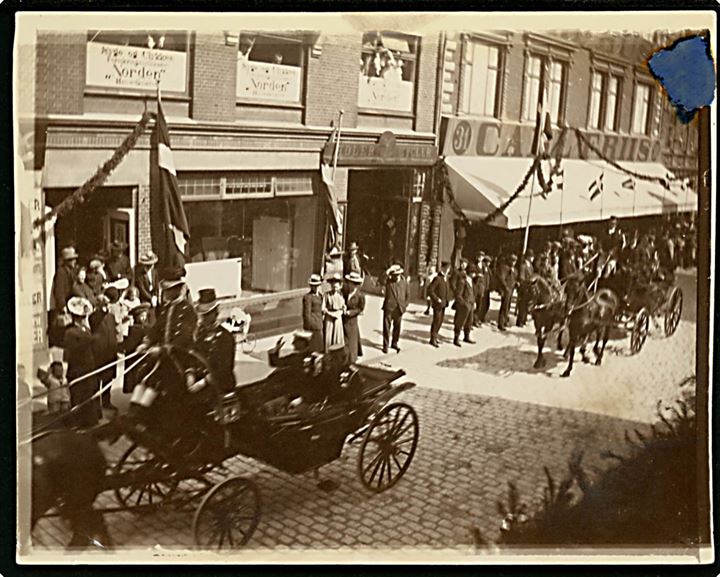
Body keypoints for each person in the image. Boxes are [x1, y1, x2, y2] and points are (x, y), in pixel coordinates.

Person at [188, 288, 237, 395]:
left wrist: (203, 382)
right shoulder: (199, 335)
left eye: (207, 314)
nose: (203, 319)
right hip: (201, 383)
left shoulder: (225, 337)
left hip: (220, 386)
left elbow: (224, 369)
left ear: (216, 314)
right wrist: (190, 374)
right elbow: (193, 357)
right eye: (202, 315)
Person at [64, 297, 101, 428]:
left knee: (89, 394)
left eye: (83, 317)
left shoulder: (85, 329)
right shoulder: (70, 331)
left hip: (89, 367)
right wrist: (90, 340)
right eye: (80, 317)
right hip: (78, 369)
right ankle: (79, 423)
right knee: (79, 396)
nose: (82, 319)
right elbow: (73, 349)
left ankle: (89, 422)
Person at [90, 290, 119, 413]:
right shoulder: (94, 317)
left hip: (110, 352)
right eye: (104, 305)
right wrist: (102, 309)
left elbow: (114, 332)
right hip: (99, 353)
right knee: (97, 380)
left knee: (108, 379)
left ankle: (106, 401)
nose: (107, 307)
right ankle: (96, 405)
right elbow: (96, 320)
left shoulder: (111, 317)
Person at [49, 246, 78, 347]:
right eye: (72, 259)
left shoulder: (70, 272)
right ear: (67, 261)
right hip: (64, 306)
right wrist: (62, 306)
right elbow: (59, 291)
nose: (75, 261)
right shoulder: (61, 273)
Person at [122, 303, 151, 394]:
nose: (143, 318)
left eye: (144, 316)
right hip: (134, 358)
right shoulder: (134, 329)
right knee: (134, 378)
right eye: (141, 316)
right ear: (136, 317)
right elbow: (129, 345)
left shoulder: (148, 328)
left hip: (144, 358)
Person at [381, 264, 409, 353]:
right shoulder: (389, 281)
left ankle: (394, 343)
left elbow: (407, 295)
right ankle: (385, 345)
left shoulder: (404, 282)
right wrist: (388, 271)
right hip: (389, 307)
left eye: (397, 275)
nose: (396, 277)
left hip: (399, 308)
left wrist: (404, 305)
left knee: (397, 327)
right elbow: (381, 280)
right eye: (394, 275)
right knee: (386, 327)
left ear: (400, 274)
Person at [343, 272, 365, 364]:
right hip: (344, 320)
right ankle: (346, 358)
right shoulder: (345, 293)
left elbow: (361, 309)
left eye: (351, 283)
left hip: (352, 321)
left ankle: (352, 359)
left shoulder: (360, 296)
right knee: (345, 341)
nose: (349, 285)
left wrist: (350, 312)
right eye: (349, 282)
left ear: (355, 285)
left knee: (352, 341)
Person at [427, 261, 450, 347]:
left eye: (448, 269)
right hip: (438, 304)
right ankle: (432, 339)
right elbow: (430, 290)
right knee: (436, 321)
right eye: (447, 269)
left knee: (440, 321)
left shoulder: (445, 278)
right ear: (443, 269)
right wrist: (436, 299)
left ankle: (436, 337)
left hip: (443, 304)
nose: (448, 271)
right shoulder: (438, 278)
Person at [452, 261, 475, 346]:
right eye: (473, 272)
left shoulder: (471, 281)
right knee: (460, 322)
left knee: (469, 322)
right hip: (464, 305)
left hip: (471, 304)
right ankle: (456, 338)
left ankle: (466, 336)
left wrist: (473, 302)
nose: (474, 274)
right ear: (470, 273)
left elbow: (472, 293)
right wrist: (463, 304)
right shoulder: (462, 281)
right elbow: (458, 295)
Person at [322, 274, 346, 353]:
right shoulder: (326, 295)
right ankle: (328, 352)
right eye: (333, 285)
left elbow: (343, 306)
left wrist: (343, 309)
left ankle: (337, 352)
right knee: (329, 336)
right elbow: (323, 307)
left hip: (338, 316)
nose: (335, 288)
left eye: (336, 286)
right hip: (329, 316)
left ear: (339, 286)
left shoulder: (341, 295)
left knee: (337, 335)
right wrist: (326, 311)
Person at [302, 274, 324, 353]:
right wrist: (309, 326)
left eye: (317, 286)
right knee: (312, 346)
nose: (316, 288)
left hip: (320, 323)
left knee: (319, 346)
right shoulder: (308, 297)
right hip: (313, 325)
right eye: (313, 286)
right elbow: (306, 313)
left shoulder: (321, 296)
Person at [496, 254, 518, 331]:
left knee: (508, 306)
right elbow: (501, 278)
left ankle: (505, 320)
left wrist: (516, 283)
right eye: (512, 260)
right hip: (506, 290)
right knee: (504, 306)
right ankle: (501, 323)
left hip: (511, 290)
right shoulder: (504, 267)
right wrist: (505, 287)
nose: (513, 262)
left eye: (515, 261)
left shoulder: (514, 270)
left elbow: (514, 278)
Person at [516, 250, 535, 327]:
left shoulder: (530, 266)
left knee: (527, 305)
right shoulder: (523, 266)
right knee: (522, 305)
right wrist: (528, 282)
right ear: (528, 257)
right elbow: (521, 278)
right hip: (524, 288)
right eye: (531, 257)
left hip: (529, 288)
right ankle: (520, 321)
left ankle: (523, 319)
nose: (532, 258)